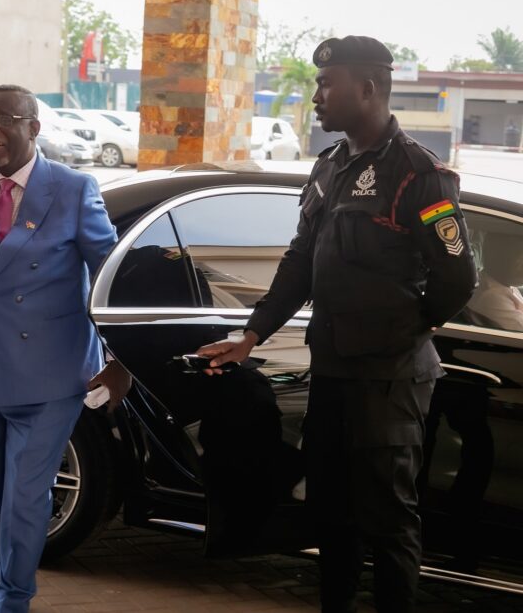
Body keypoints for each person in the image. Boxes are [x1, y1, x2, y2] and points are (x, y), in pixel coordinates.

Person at [197, 37, 478, 613]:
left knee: (388, 519)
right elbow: (301, 260)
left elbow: (458, 280)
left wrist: (401, 333)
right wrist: (252, 336)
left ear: (368, 88)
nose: (317, 96)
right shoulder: (330, 168)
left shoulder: (419, 176)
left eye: (328, 85)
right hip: (332, 370)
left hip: (390, 379)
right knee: (331, 513)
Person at [0, 84, 127, 613]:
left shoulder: (72, 189)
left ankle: (13, 600)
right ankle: (1, 582)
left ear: (34, 128)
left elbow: (107, 276)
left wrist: (119, 360)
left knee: (26, 495)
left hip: (49, 372)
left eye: (4, 119)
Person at [466, 232, 523, 331]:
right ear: (503, 259)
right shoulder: (493, 297)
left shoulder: (504, 285)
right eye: (520, 259)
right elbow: (520, 327)